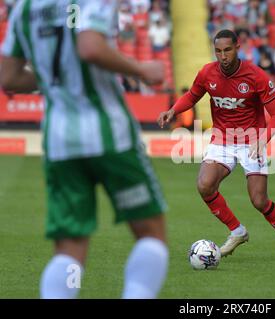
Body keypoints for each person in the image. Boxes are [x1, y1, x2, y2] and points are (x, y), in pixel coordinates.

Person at [0, 0, 168, 299]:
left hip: (60, 141)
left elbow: (8, 77)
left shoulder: (24, 9)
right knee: (150, 234)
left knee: (69, 249)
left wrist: (54, 75)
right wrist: (142, 69)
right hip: (109, 134)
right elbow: (90, 47)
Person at [157, 30, 275, 264]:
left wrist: (262, 139)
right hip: (222, 140)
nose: (223, 56)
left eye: (227, 50)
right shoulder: (207, 73)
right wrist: (173, 110)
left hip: (251, 140)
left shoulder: (255, 76)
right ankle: (237, 231)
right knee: (204, 185)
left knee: (259, 201)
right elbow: (192, 95)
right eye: (218, 51)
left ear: (237, 48)